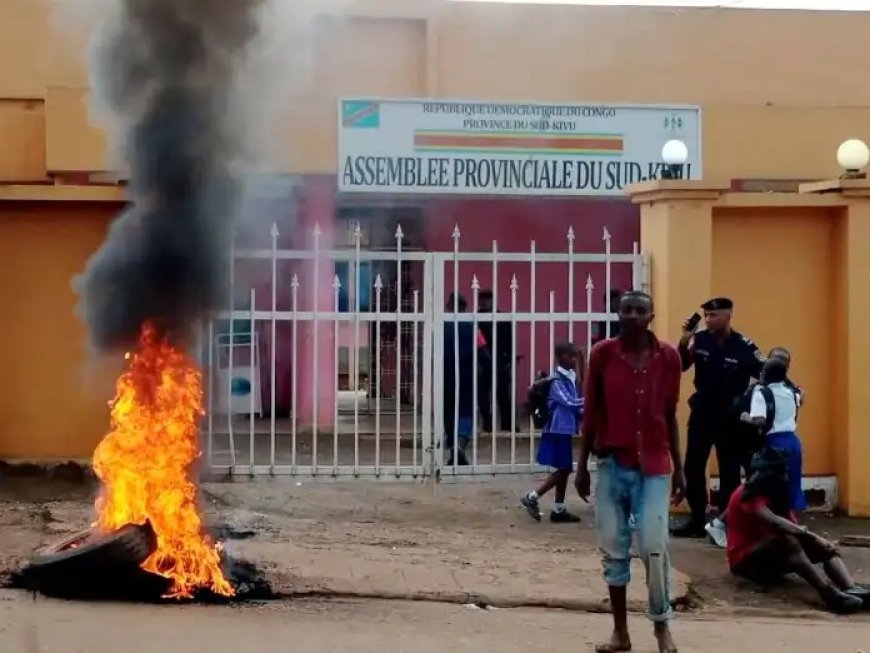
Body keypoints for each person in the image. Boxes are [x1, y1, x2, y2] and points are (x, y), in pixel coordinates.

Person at [575, 291, 685, 653]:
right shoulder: (603, 354)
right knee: (614, 550)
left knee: (655, 547)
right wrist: (581, 467)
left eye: (641, 310)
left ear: (652, 315)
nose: (634, 316)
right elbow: (591, 412)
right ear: (617, 314)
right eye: (627, 310)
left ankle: (660, 625)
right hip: (612, 464)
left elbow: (669, 414)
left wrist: (680, 469)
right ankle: (620, 633)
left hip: (654, 465)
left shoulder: (668, 357)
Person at [725, 447, 867, 613]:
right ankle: (828, 595)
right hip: (745, 562)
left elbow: (794, 527)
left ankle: (850, 588)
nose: (784, 477)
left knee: (816, 545)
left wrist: (822, 544)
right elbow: (779, 523)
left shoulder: (776, 496)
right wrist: (815, 537)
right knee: (789, 540)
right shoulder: (746, 496)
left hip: (770, 554)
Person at [673, 297, 765, 539]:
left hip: (729, 418)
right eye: (705, 316)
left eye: (713, 315)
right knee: (693, 467)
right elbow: (680, 365)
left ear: (728, 315)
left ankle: (727, 522)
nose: (708, 320)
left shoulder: (744, 346)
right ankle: (696, 520)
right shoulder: (700, 339)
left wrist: (753, 403)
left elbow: (766, 374)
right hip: (703, 413)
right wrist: (683, 340)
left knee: (729, 472)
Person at [520, 342, 584, 523]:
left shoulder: (569, 377)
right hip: (556, 429)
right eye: (570, 356)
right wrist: (592, 400)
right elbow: (570, 403)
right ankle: (532, 497)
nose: (573, 360)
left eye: (575, 356)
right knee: (564, 469)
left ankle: (559, 509)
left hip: (564, 429)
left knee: (563, 468)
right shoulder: (557, 381)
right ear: (560, 358)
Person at [742, 353, 805, 512]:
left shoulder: (761, 393)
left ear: (766, 373)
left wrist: (746, 417)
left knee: (771, 486)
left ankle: (776, 522)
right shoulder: (791, 392)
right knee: (793, 483)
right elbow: (800, 399)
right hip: (793, 442)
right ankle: (793, 520)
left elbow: (760, 421)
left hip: (774, 444)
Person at [443, 293, 490, 465]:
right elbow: (483, 352)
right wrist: (489, 369)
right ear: (464, 308)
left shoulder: (442, 325)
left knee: (448, 411)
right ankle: (459, 444)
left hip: (445, 376)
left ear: (450, 306)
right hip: (467, 376)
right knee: (466, 412)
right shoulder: (472, 327)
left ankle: (453, 450)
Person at [478, 290, 514, 433]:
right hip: (482, 361)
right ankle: (487, 422)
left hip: (500, 360)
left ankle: (507, 422)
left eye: (488, 299)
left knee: (503, 394)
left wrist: (508, 359)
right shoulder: (476, 317)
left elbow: (510, 340)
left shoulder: (502, 318)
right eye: (483, 299)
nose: (485, 302)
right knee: (483, 394)